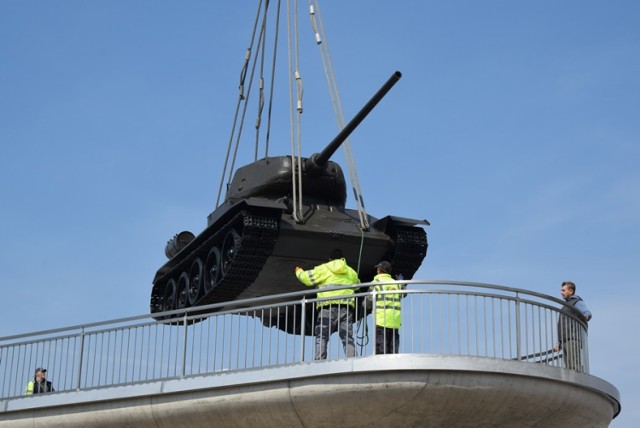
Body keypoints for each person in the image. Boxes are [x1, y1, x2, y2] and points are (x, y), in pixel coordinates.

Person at [295, 248, 360, 360]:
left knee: (322, 336)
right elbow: (358, 285)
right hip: (345, 308)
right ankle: (352, 360)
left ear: (330, 259)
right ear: (342, 259)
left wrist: (299, 272)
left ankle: (320, 361)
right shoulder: (351, 271)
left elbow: (307, 279)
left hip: (327, 308)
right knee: (347, 337)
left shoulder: (323, 269)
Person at [553, 281, 592, 371]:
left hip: (573, 339)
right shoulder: (565, 306)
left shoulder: (576, 302)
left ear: (570, 291)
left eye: (563, 290)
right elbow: (562, 325)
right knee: (568, 368)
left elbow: (587, 312)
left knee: (574, 366)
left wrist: (586, 316)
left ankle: (579, 382)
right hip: (565, 340)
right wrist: (558, 342)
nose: (561, 292)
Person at [370, 261, 403, 354]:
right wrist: (401, 281)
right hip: (394, 320)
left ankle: (382, 367)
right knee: (393, 349)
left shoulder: (376, 282)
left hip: (381, 320)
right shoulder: (396, 284)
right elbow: (404, 294)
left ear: (380, 270)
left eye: (378, 268)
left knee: (381, 349)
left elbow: (368, 301)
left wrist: (363, 307)